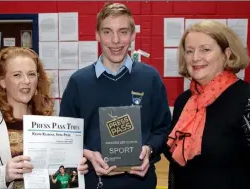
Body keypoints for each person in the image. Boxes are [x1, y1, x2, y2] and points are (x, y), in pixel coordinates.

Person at [59, 2, 171, 189]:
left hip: (140, 183)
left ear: (133, 35)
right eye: (107, 32)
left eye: (123, 31)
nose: (116, 40)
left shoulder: (150, 78)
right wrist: (88, 154)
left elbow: (163, 129)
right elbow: (65, 137)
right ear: (97, 35)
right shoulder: (79, 82)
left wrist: (149, 150)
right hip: (93, 183)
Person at [164, 20, 250, 189]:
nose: (196, 57)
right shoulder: (184, 102)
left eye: (205, 49)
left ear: (226, 54)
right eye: (189, 51)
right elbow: (177, 167)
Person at [0, 47, 89, 189]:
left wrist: (73, 169)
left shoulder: (50, 122)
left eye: (31, 74)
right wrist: (3, 174)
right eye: (17, 75)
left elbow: (54, 177)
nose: (26, 81)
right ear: (2, 81)